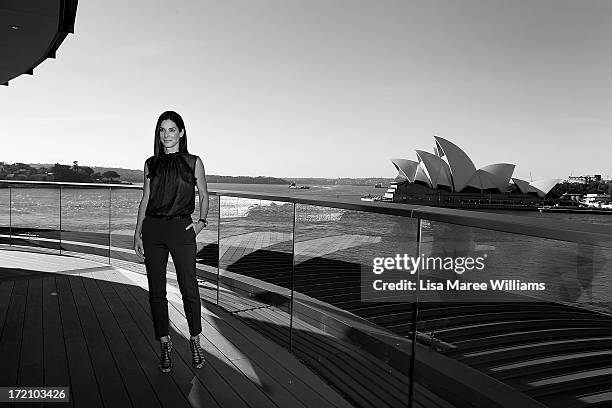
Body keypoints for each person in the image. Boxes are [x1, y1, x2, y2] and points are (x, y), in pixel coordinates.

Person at [133, 110, 209, 373]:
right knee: (156, 291)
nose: (166, 135)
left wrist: (201, 223)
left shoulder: (193, 162)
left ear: (182, 132)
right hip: (153, 230)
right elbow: (145, 199)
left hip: (181, 229)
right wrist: (137, 233)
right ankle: (165, 343)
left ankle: (196, 341)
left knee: (189, 288)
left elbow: (205, 196)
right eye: (162, 130)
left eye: (172, 129)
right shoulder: (150, 164)